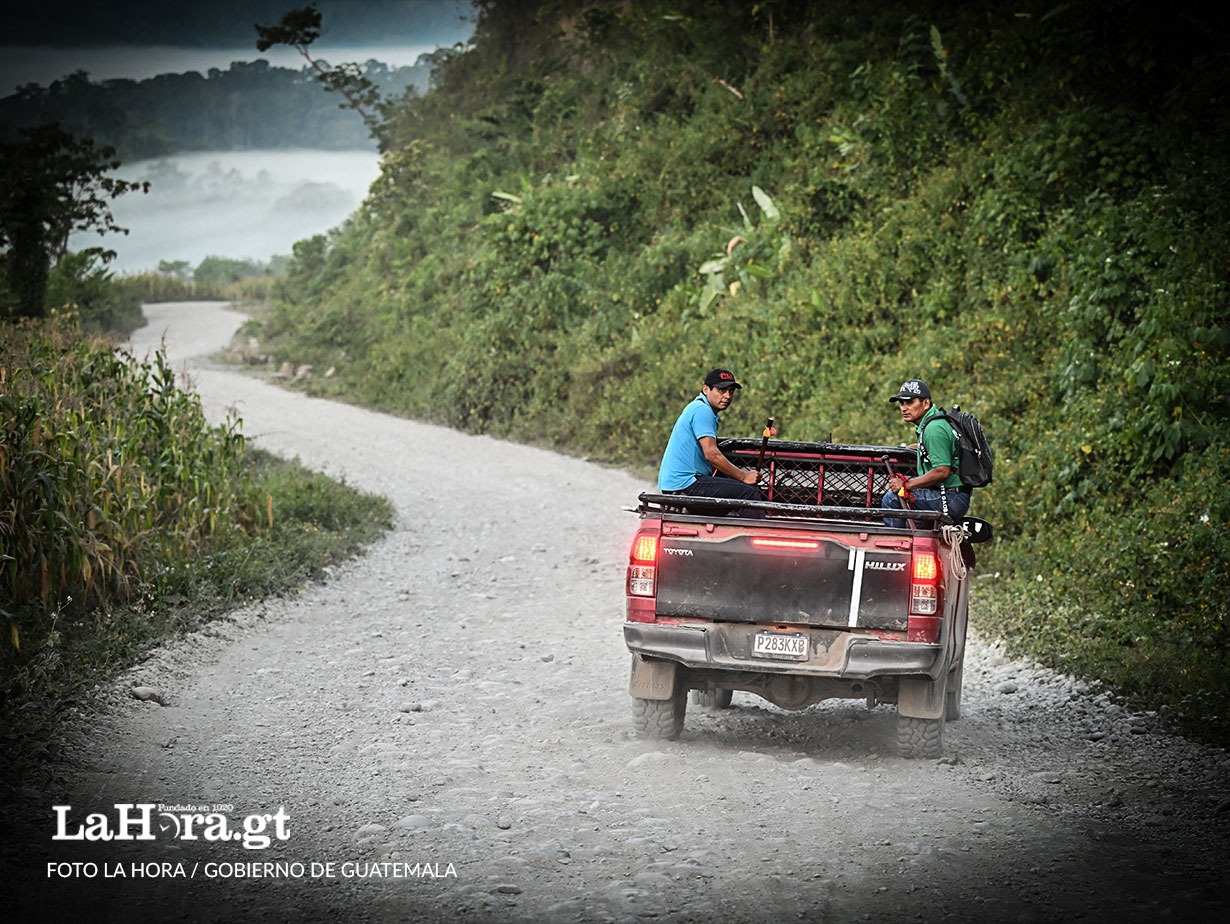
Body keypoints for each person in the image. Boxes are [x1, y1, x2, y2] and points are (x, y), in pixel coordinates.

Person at [658, 368, 765, 516]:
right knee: (749, 494)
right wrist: (744, 476)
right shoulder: (702, 410)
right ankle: (753, 537)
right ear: (706, 389)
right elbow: (712, 455)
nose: (727, 396)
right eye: (722, 390)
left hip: (680, 482)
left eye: (731, 391)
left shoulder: (698, 408)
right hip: (686, 483)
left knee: (735, 489)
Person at [882, 378, 971, 529]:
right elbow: (940, 447)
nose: (904, 408)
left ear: (926, 404)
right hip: (953, 496)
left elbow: (942, 471)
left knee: (891, 499)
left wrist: (907, 484)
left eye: (910, 402)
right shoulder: (934, 424)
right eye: (901, 403)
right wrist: (915, 447)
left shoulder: (933, 429)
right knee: (911, 524)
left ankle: (894, 547)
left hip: (950, 498)